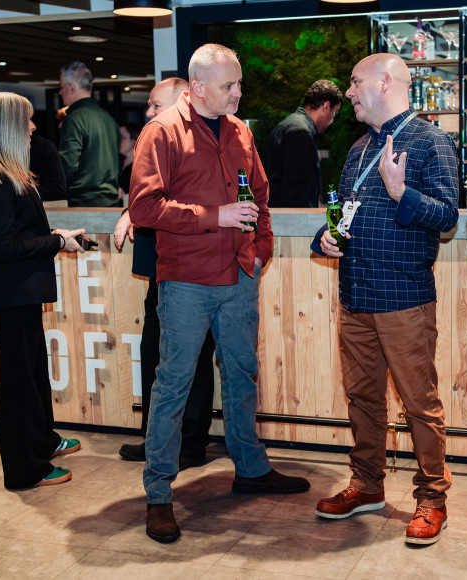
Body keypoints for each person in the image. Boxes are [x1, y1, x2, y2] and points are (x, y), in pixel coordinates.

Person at [129, 43, 310, 544]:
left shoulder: (241, 131)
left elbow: (262, 196)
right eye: (229, 85)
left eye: (238, 83)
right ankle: (159, 493)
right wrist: (215, 217)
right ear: (198, 87)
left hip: (239, 276)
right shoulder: (161, 131)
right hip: (186, 280)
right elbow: (145, 208)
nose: (238, 92)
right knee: (173, 386)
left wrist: (261, 249)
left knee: (241, 375)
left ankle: (250, 468)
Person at [312, 53, 458, 545]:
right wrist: (325, 239)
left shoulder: (430, 140)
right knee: (362, 398)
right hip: (355, 293)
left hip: (403, 297)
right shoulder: (357, 149)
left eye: (355, 82)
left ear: (386, 82)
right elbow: (346, 212)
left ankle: (432, 498)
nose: (348, 92)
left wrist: (402, 194)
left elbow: (446, 217)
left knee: (419, 403)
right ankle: (367, 485)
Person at [0, 92, 86, 489]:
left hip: (21, 292)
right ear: (8, 126)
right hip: (12, 293)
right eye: (27, 121)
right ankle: (23, 470)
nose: (34, 128)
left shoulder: (6, 173)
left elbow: (18, 235)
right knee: (18, 383)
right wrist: (56, 242)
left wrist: (54, 236)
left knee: (32, 375)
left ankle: (40, 444)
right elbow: (4, 248)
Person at [113, 77, 216, 471]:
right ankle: (163, 441)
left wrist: (133, 211)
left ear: (180, 102)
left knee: (182, 359)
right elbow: (144, 192)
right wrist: (128, 211)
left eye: (156, 105)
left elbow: (172, 200)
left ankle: (184, 445)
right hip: (165, 269)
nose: (148, 113)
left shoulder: (187, 143)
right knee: (161, 356)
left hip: (184, 270)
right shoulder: (164, 141)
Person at [262, 79, 343, 208]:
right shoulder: (300, 132)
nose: (333, 119)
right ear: (326, 106)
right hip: (290, 221)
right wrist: (311, 222)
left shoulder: (290, 124)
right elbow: (294, 190)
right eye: (335, 112)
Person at [58, 61, 121, 207]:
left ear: (72, 88)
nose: (60, 92)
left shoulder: (74, 119)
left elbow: (67, 165)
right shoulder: (108, 118)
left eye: (62, 87)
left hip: (84, 204)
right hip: (111, 202)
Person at [118, 122, 140, 200]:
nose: (118, 140)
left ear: (135, 139)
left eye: (123, 137)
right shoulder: (116, 165)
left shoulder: (140, 168)